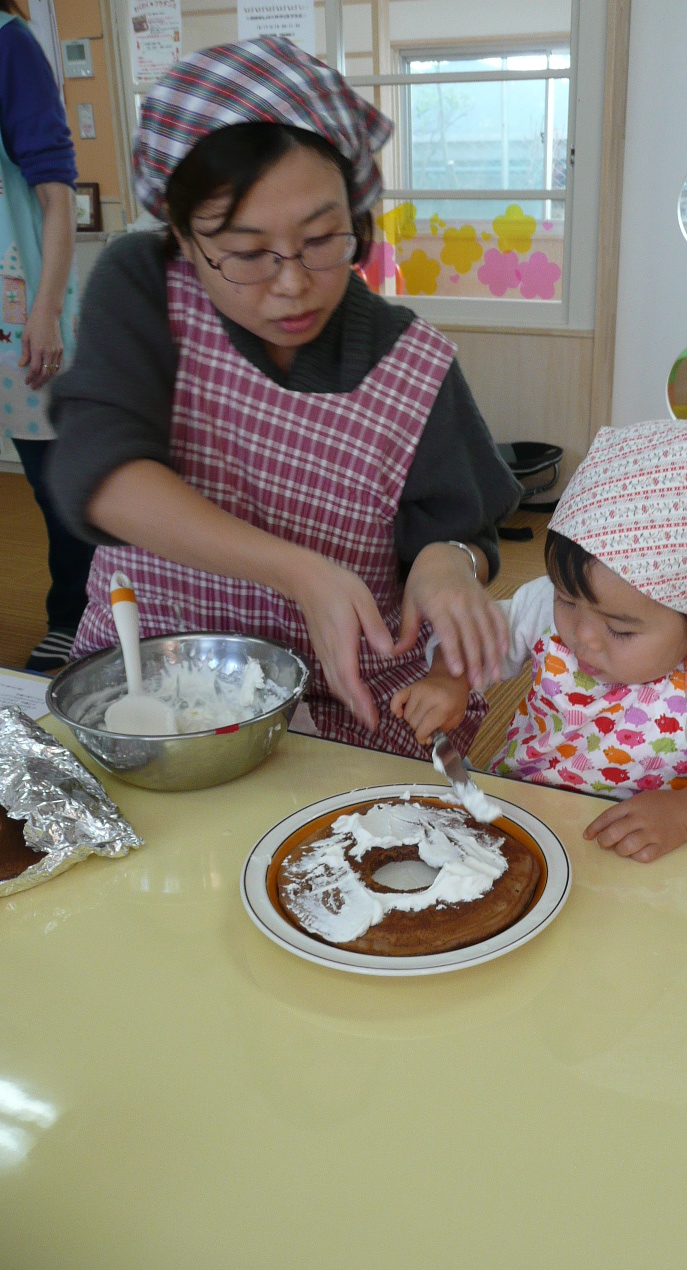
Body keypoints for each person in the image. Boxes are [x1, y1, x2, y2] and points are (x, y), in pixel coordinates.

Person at [48, 37, 521, 759]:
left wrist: (447, 563)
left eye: (323, 238)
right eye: (244, 253)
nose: (294, 283)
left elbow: (462, 528)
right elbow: (104, 479)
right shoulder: (145, 285)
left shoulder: (408, 357)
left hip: (350, 703)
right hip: (159, 682)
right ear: (181, 235)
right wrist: (300, 572)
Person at [392, 415, 687, 861]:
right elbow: (473, 637)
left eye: (620, 629)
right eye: (567, 600)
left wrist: (685, 815)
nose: (582, 636)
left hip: (641, 866)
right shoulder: (544, 604)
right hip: (525, 829)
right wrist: (448, 678)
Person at [0, 0, 94, 671]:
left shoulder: (11, 45)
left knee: (58, 482)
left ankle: (74, 613)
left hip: (17, 303)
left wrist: (46, 310)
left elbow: (55, 194)